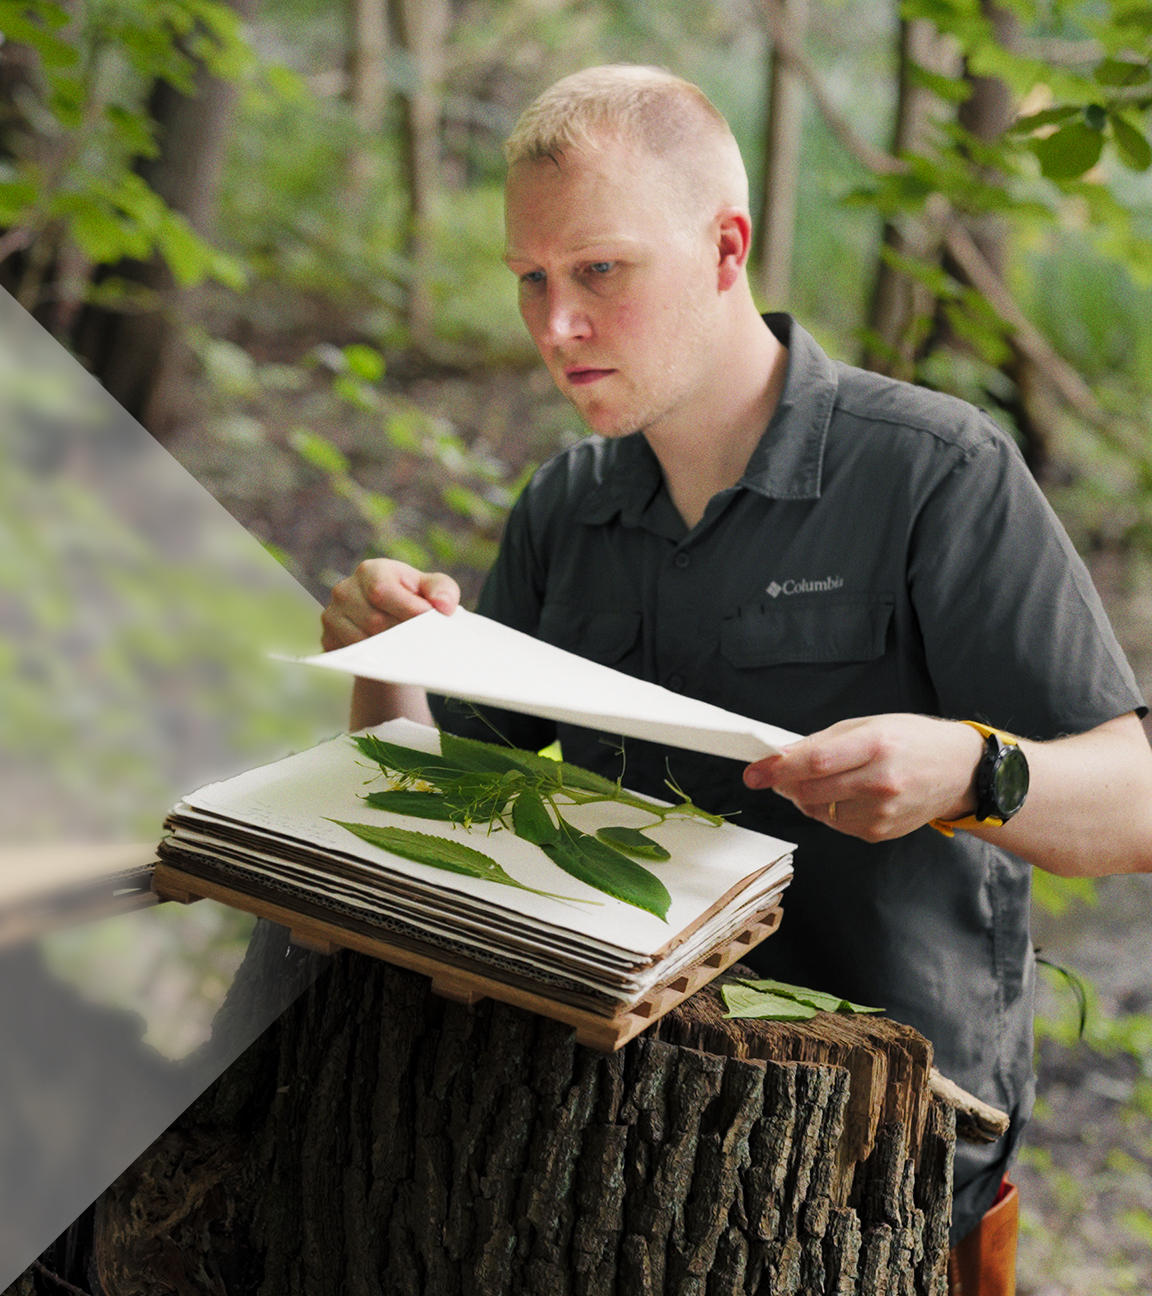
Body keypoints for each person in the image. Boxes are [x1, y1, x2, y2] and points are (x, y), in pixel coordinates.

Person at [321, 64, 1152, 1291]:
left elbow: (1135, 807)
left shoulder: (933, 473)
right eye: (531, 279)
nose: (555, 325)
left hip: (873, 1175)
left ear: (726, 248)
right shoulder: (565, 507)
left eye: (600, 270)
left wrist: (972, 771)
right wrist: (384, 663)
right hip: (599, 1152)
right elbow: (440, 811)